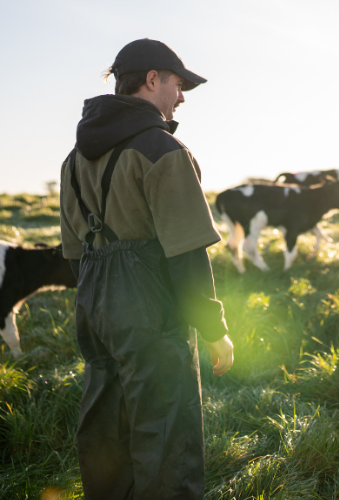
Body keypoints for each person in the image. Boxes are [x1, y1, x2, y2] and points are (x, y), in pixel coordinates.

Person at [59, 39, 234, 499]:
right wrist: (214, 329)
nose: (181, 97)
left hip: (93, 307)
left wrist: (101, 299)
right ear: (152, 79)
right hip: (152, 307)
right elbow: (187, 252)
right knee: (167, 434)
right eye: (178, 85)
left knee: (106, 430)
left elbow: (74, 254)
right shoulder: (162, 149)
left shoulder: (72, 160)